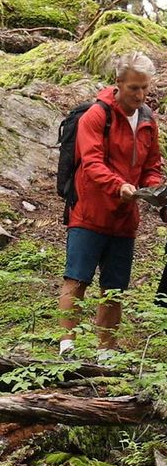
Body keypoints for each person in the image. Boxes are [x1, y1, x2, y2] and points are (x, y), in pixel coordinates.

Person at [59, 51, 163, 361]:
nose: (140, 95)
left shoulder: (147, 120)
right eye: (134, 88)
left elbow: (151, 164)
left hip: (124, 218)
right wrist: (119, 186)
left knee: (114, 286)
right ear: (118, 83)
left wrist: (152, 187)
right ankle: (66, 345)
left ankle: (106, 350)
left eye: (145, 88)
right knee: (77, 279)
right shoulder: (96, 116)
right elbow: (91, 162)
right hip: (89, 212)